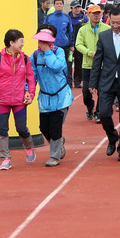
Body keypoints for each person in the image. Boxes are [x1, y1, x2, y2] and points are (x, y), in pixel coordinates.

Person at [0, 29, 37, 170]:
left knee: (21, 128)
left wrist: (31, 94)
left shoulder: (25, 59)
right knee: (2, 130)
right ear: (11, 43)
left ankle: (28, 146)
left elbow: (31, 79)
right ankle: (5, 158)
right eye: (21, 41)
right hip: (2, 100)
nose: (23, 44)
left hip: (19, 101)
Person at [89, 7, 120, 161]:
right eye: (113, 22)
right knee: (103, 113)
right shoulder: (103, 36)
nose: (115, 25)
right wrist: (92, 82)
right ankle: (112, 137)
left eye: (118, 22)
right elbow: (97, 61)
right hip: (107, 80)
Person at [30, 25, 74, 167]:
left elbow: (56, 67)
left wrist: (48, 52)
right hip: (45, 98)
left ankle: (54, 156)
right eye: (39, 41)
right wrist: (29, 92)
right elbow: (31, 77)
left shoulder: (59, 52)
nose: (41, 44)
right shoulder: (34, 56)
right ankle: (59, 142)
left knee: (55, 128)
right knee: (44, 128)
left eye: (44, 41)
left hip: (61, 97)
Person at [74, 4, 110, 122]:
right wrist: (90, 53)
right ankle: (90, 107)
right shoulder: (83, 29)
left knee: (102, 90)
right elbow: (78, 45)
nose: (96, 15)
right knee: (86, 92)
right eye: (94, 13)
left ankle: (98, 112)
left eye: (98, 13)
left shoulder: (107, 28)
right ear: (88, 14)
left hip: (103, 65)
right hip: (88, 65)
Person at [68, 1, 88, 88]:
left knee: (79, 63)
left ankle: (77, 82)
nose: (77, 9)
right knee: (69, 63)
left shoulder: (84, 18)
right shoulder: (67, 18)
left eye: (78, 7)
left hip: (80, 44)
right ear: (71, 8)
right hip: (69, 44)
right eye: (75, 7)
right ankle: (69, 81)